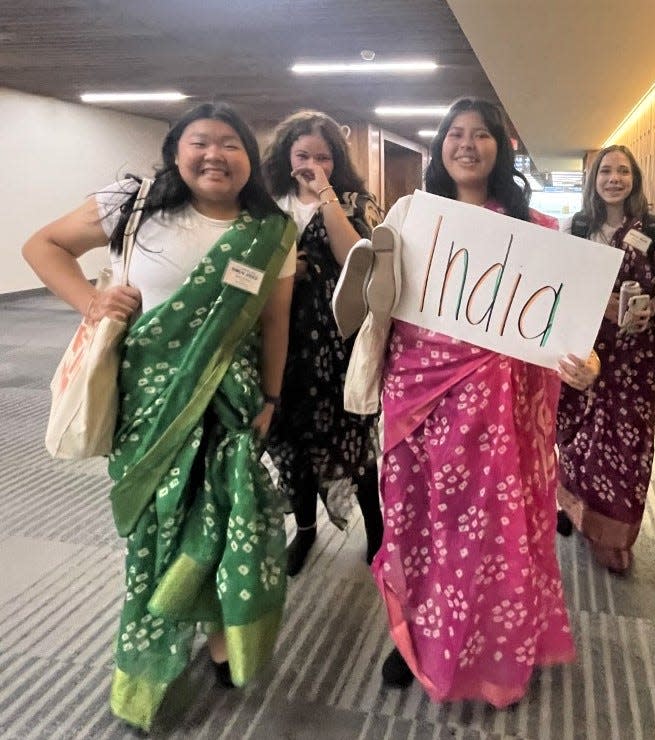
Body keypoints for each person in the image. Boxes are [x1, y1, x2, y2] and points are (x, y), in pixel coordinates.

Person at [22, 101, 296, 730]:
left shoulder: (269, 228)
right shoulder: (135, 205)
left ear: (249, 160)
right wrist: (91, 301)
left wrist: (273, 399)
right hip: (148, 403)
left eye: (231, 144)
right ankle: (166, 631)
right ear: (176, 151)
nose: (215, 155)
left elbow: (274, 321)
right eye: (201, 142)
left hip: (232, 400)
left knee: (229, 518)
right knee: (159, 522)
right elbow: (44, 246)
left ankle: (223, 637)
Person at [344, 98, 597, 706]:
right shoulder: (410, 218)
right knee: (419, 524)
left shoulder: (537, 231)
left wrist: (583, 366)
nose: (467, 144)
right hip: (420, 402)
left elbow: (564, 329)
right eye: (454, 134)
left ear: (501, 149)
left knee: (491, 534)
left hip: (502, 415)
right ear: (439, 148)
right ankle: (414, 639)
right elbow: (380, 304)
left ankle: (497, 647)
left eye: (481, 134)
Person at [261, 110, 384, 576]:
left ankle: (377, 532)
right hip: (280, 338)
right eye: (303, 155)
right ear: (285, 156)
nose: (312, 164)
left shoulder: (353, 199)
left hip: (336, 338)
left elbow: (354, 256)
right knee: (291, 439)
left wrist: (326, 195)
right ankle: (306, 531)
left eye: (324, 157)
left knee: (352, 438)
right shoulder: (268, 201)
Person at [555, 145, 655, 575]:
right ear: (594, 179)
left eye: (623, 171)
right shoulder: (577, 226)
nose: (614, 178)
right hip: (583, 346)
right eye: (606, 170)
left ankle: (614, 537)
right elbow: (558, 282)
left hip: (633, 356)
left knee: (625, 445)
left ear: (634, 179)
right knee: (577, 436)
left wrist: (650, 309)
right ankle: (573, 509)